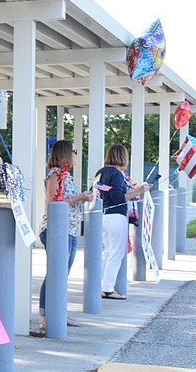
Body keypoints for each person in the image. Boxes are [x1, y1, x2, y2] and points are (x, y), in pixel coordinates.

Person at [37, 140, 94, 331]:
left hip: (69, 229)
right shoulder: (55, 175)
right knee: (56, 272)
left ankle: (57, 311)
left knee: (62, 273)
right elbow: (54, 201)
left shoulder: (66, 176)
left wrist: (85, 198)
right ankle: (46, 315)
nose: (77, 155)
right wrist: (79, 198)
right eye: (75, 151)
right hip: (56, 230)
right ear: (65, 155)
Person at [93, 144, 150, 300]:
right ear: (122, 157)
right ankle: (108, 288)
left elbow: (110, 192)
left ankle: (97, 286)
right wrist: (137, 192)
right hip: (116, 216)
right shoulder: (117, 175)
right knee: (116, 254)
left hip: (102, 215)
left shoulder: (101, 172)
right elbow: (118, 197)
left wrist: (139, 190)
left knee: (107, 253)